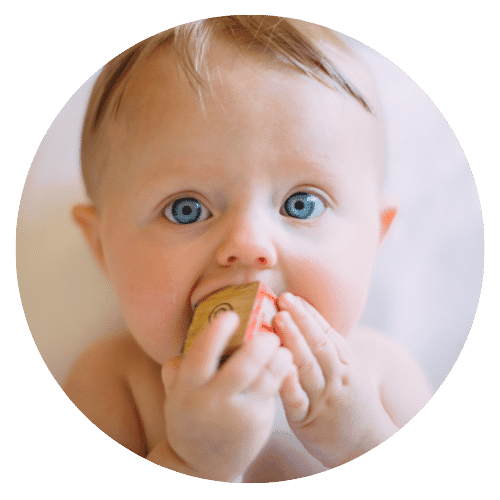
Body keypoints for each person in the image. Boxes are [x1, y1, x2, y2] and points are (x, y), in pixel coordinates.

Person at [64, 15, 432, 482]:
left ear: (374, 239)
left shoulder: (382, 375)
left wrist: (364, 443)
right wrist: (191, 464)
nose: (248, 244)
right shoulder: (113, 383)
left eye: (301, 205)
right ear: (102, 248)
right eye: (186, 209)